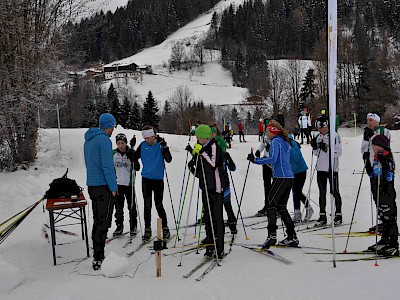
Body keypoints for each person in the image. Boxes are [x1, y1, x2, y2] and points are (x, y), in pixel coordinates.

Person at [247, 120, 298, 249]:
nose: (266, 134)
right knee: (281, 207)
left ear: (273, 131)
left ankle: (272, 235)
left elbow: (273, 159)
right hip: (288, 177)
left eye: (268, 131)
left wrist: (256, 160)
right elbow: (278, 160)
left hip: (281, 177)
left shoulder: (275, 141)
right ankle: (292, 236)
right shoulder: (284, 141)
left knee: (271, 203)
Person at [84, 113, 118, 271]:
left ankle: (97, 252)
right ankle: (99, 257)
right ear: (108, 126)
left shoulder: (89, 140)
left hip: (92, 185)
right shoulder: (104, 141)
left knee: (97, 219)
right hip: (103, 186)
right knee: (103, 222)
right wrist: (113, 187)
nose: (113, 130)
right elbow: (107, 167)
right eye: (113, 126)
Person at [187, 124, 226, 258]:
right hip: (206, 186)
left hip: (216, 187)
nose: (197, 139)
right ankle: (209, 246)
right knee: (208, 217)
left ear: (204, 137)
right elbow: (198, 166)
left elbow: (213, 164)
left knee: (217, 218)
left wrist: (201, 153)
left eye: (198, 137)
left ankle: (219, 247)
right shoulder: (203, 146)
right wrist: (194, 158)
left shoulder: (214, 146)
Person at [134, 125, 172, 241]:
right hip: (146, 179)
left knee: (158, 204)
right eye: (145, 138)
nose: (147, 140)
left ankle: (165, 228)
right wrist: (135, 159)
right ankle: (147, 229)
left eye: (149, 138)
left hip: (158, 180)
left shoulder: (160, 145)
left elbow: (169, 159)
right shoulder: (142, 145)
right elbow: (134, 157)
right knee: (147, 205)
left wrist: (165, 147)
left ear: (154, 135)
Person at [366, 135, 398, 256]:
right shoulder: (376, 157)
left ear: (382, 146)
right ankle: (385, 239)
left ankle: (393, 243)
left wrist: (383, 162)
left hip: (386, 193)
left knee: (390, 218)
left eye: (375, 145)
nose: (373, 147)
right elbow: (373, 175)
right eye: (372, 145)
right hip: (377, 191)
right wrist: (368, 168)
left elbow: (388, 177)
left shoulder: (387, 158)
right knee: (382, 217)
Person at [361, 112, 391, 232]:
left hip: (382, 168)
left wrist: (371, 137)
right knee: (375, 195)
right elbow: (364, 149)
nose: (369, 123)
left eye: (371, 120)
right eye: (368, 120)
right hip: (372, 167)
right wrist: (366, 161)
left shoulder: (383, 131)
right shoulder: (367, 132)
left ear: (377, 121)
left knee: (383, 196)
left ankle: (386, 221)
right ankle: (380, 220)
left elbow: (383, 146)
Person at [310, 116, 343, 226]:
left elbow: (338, 152)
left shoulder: (334, 135)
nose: (320, 130)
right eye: (318, 128)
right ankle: (322, 215)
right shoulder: (318, 136)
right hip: (320, 168)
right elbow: (316, 154)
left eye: (322, 127)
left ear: (327, 126)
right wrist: (315, 147)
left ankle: (338, 215)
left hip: (332, 168)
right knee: (322, 192)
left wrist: (327, 149)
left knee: (334, 191)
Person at [210, 124, 237, 234]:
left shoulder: (220, 146)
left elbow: (233, 168)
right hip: (214, 182)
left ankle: (232, 225)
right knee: (219, 206)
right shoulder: (209, 148)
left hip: (223, 182)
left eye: (213, 133)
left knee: (226, 205)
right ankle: (226, 225)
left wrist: (228, 159)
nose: (211, 135)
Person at [112, 133, 140, 237]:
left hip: (129, 185)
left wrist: (134, 160)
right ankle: (119, 226)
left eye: (122, 143)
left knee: (131, 207)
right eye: (118, 143)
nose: (120, 145)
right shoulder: (113, 154)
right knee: (118, 207)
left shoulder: (131, 153)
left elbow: (137, 167)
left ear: (126, 143)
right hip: (118, 184)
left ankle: (133, 226)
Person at [289, 134, 314, 222]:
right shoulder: (286, 143)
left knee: (297, 192)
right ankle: (297, 213)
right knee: (295, 192)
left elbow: (295, 157)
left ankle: (308, 208)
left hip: (300, 171)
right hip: (293, 172)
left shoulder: (292, 144)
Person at [254, 128, 272, 217]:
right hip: (265, 162)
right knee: (267, 185)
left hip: (273, 163)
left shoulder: (276, 134)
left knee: (276, 186)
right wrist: (258, 151)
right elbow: (263, 144)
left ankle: (276, 206)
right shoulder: (266, 133)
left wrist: (271, 147)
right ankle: (267, 205)